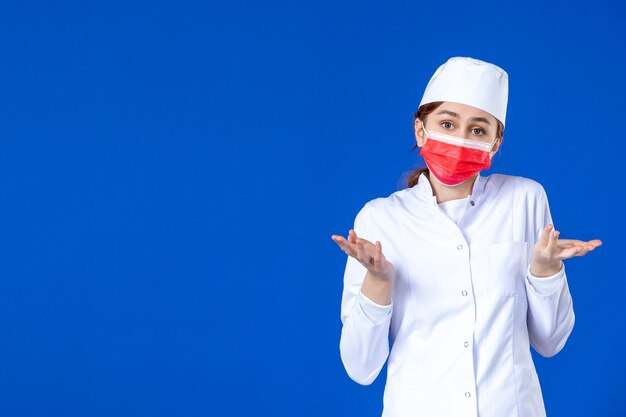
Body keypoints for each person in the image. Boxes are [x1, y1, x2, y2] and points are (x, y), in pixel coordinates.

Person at [330, 57, 602, 417]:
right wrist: (378, 282)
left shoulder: (525, 200)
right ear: (420, 130)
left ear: (495, 142)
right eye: (446, 123)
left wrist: (544, 270)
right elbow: (360, 367)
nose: (460, 140)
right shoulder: (381, 219)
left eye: (477, 130)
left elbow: (551, 342)